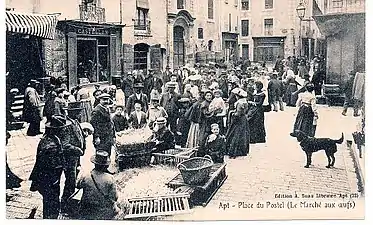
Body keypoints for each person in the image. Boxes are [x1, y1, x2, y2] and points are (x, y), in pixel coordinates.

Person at [29, 115, 83, 219]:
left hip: (49, 181)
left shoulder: (50, 139)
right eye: (62, 129)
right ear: (57, 130)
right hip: (49, 181)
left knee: (50, 203)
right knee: (51, 205)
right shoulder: (51, 146)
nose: (64, 131)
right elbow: (53, 167)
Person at [77, 151, 120, 220]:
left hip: (87, 209)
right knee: (117, 210)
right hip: (102, 210)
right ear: (106, 165)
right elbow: (114, 197)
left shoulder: (86, 175)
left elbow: (78, 185)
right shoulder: (110, 178)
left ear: (94, 163)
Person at [226, 89, 250, 158]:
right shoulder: (244, 102)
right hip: (243, 119)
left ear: (238, 96)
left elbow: (238, 113)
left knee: (236, 134)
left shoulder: (239, 103)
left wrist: (232, 113)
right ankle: (242, 150)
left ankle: (234, 151)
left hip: (238, 120)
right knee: (243, 134)